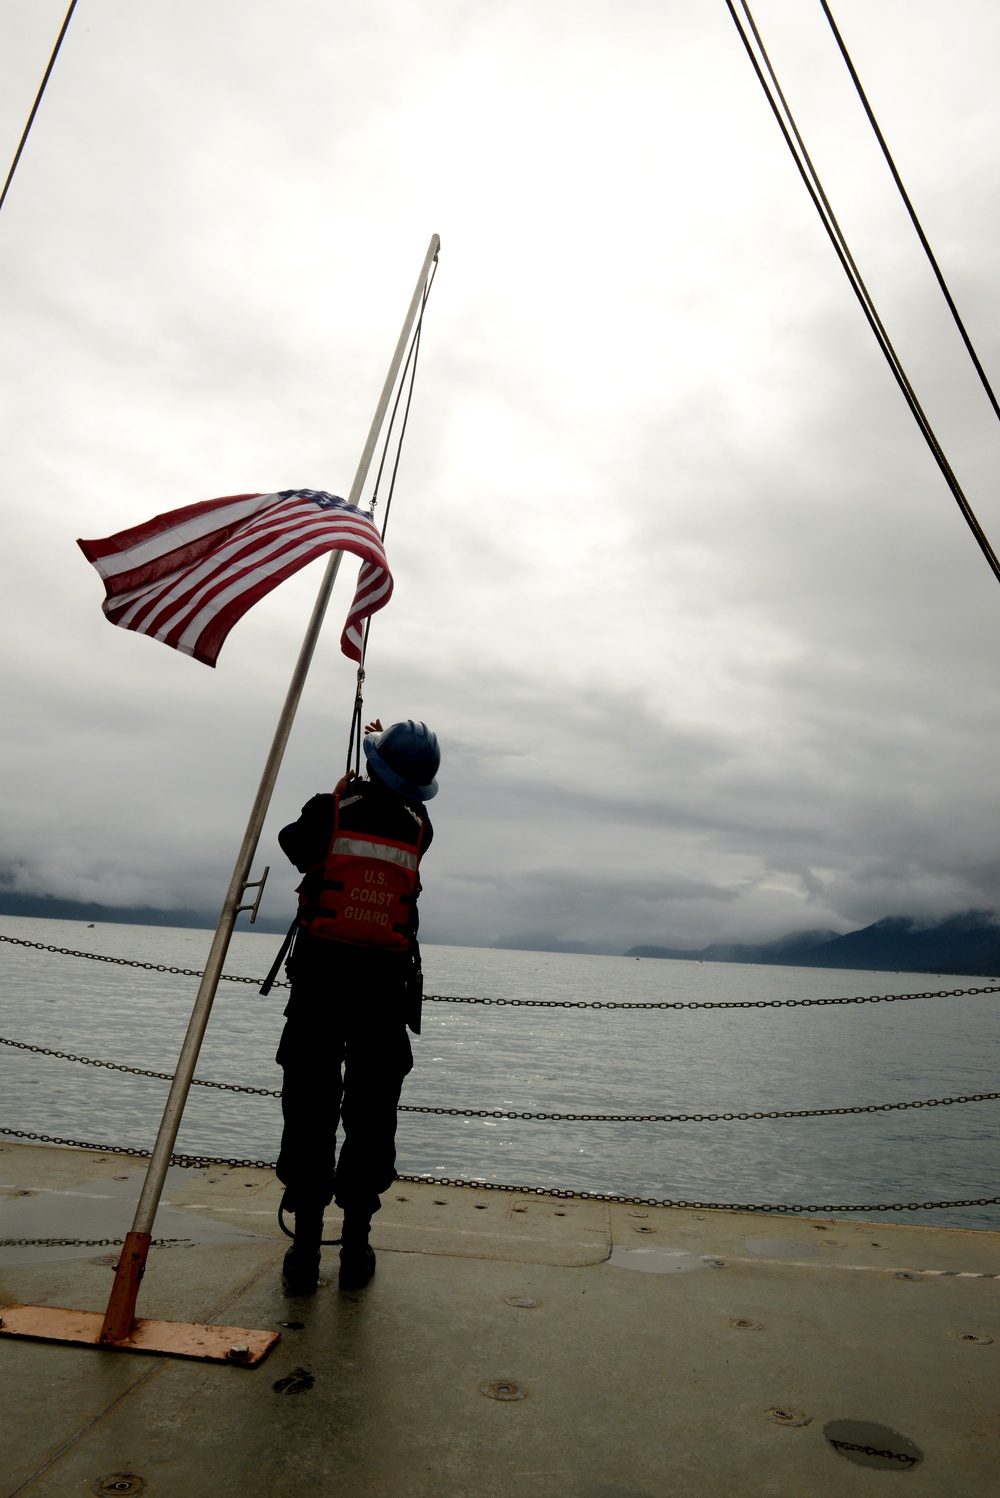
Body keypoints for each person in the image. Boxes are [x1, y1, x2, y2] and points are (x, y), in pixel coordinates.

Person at [275, 717, 438, 1293]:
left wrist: (338, 792)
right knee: (372, 1114)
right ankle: (357, 1248)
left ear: (372, 765)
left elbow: (293, 847)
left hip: (320, 986)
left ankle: (304, 1254)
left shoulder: (332, 809)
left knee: (310, 1106)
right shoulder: (420, 829)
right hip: (383, 993)